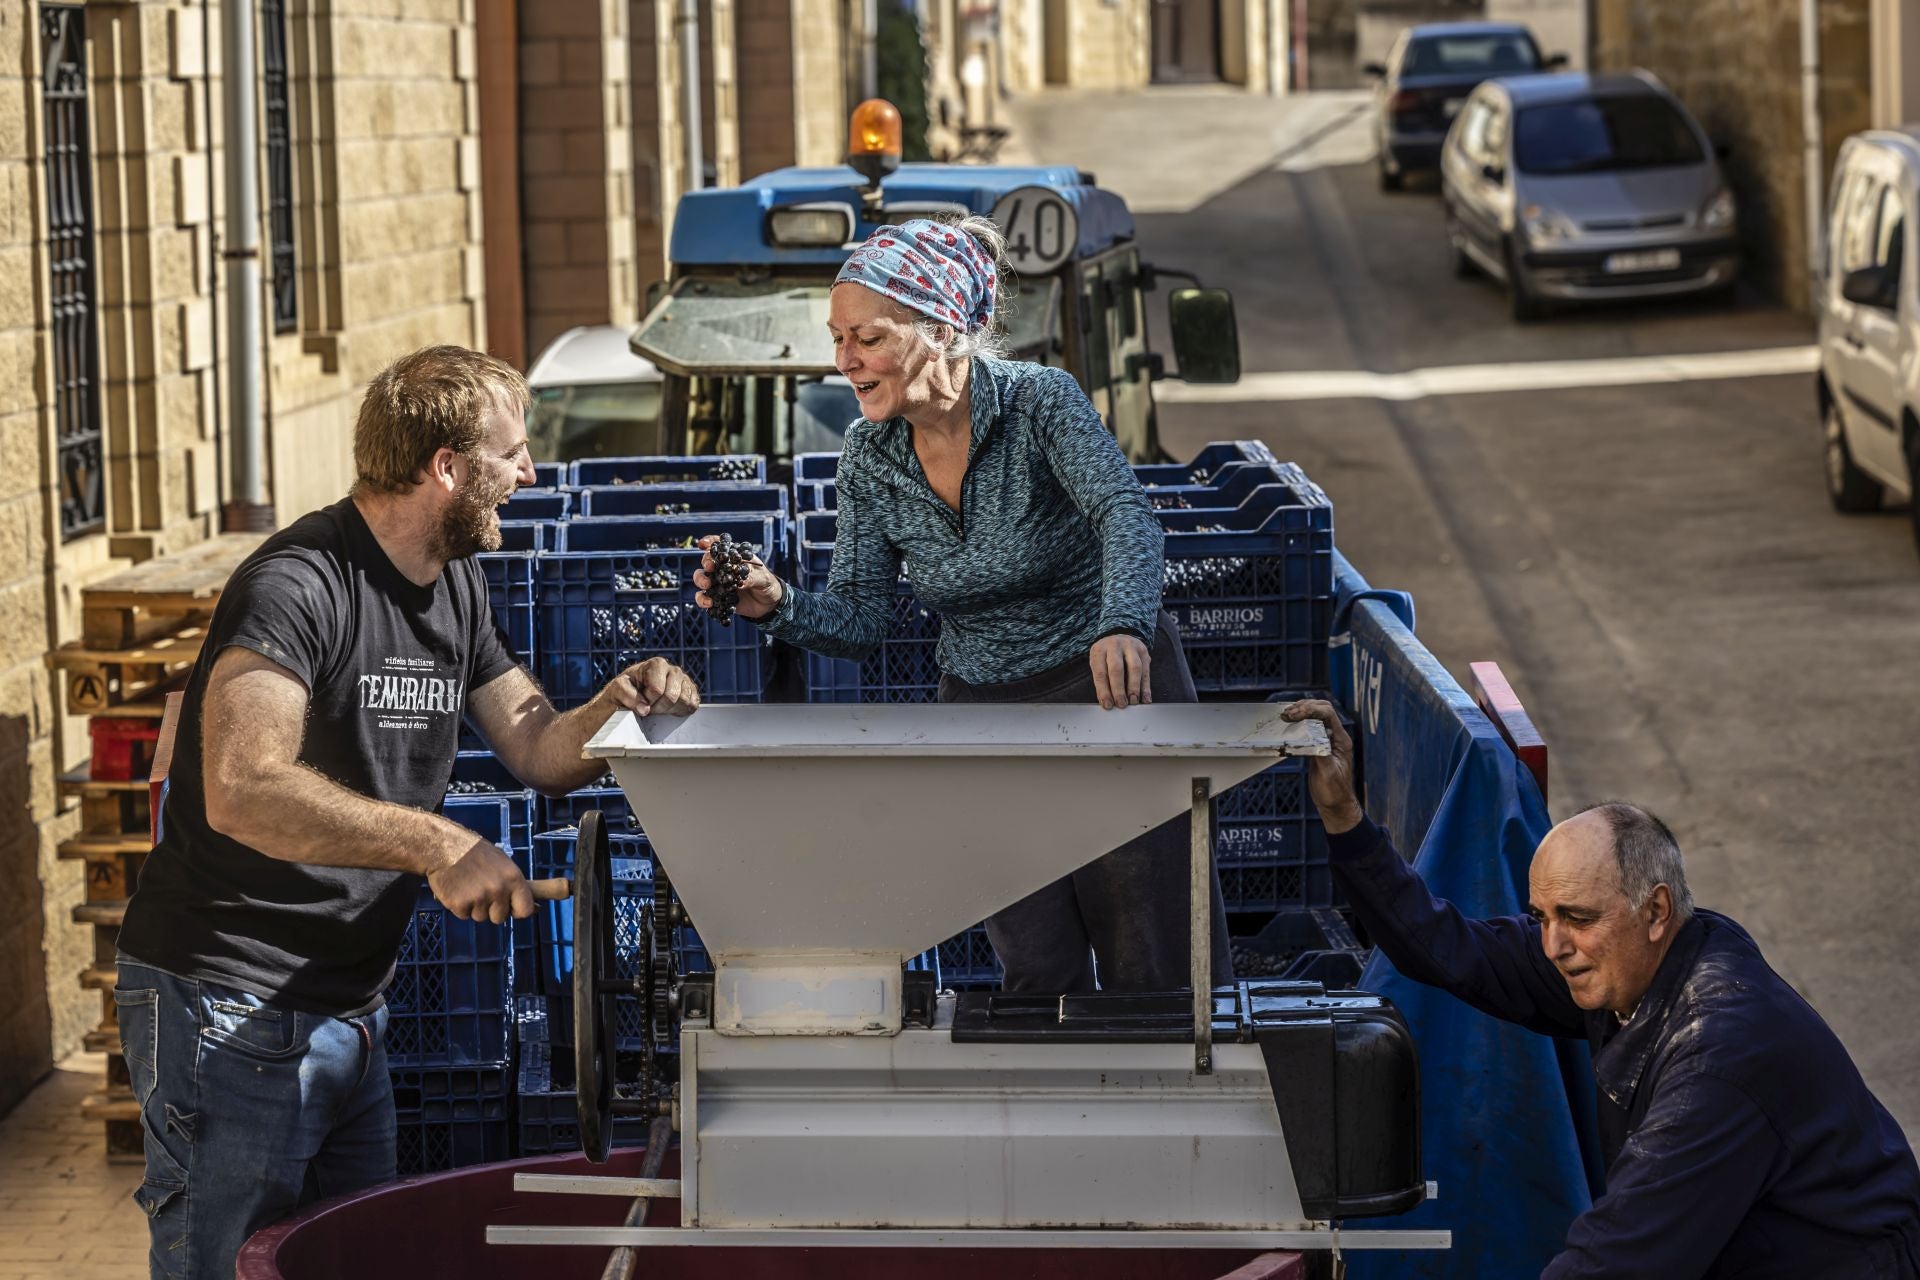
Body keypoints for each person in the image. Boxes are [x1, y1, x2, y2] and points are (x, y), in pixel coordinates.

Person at [114, 346, 700, 1279]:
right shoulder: (298, 584)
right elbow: (240, 786)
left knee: (357, 1256)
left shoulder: (451, 582)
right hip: (231, 1001)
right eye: (513, 454)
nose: (529, 474)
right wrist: (436, 841)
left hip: (350, 1009)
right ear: (447, 468)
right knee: (223, 1266)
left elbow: (537, 745)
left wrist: (614, 707)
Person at [693, 214, 1231, 994]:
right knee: (1036, 959)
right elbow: (863, 618)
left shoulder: (1040, 402)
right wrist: (774, 602)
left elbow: (1126, 512)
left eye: (867, 338)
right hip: (984, 716)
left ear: (942, 330)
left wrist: (1122, 625)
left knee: (1155, 959)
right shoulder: (868, 457)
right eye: (837, 338)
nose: (844, 360)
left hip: (1113, 698)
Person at [1282, 698, 1920, 1279]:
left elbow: (1615, 1260)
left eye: (1578, 919)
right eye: (1542, 918)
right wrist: (1344, 817)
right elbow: (1451, 948)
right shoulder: (1630, 962)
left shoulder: (1719, 1056)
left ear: (1656, 910)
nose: (1554, 945)